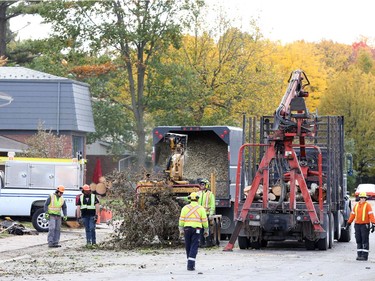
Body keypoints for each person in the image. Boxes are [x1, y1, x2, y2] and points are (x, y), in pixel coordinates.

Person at [178, 192, 209, 271]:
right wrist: (206, 229)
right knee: (194, 246)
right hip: (197, 230)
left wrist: (181, 230)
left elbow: (181, 219)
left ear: (189, 199)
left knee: (188, 246)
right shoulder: (201, 208)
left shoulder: (185, 208)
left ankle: (190, 262)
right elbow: (204, 220)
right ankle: (190, 265)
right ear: (197, 199)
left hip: (187, 229)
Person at [347, 191, 375, 261]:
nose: (362, 199)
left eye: (364, 198)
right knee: (358, 239)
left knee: (364, 240)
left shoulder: (367, 205)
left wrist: (373, 223)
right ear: (359, 198)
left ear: (366, 199)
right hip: (357, 225)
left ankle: (364, 256)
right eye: (361, 197)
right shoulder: (356, 205)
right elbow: (352, 215)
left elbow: (371, 215)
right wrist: (349, 223)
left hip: (365, 225)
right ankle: (359, 254)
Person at [197, 178, 216, 247]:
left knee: (206, 229)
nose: (201, 186)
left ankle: (209, 243)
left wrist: (211, 214)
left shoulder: (210, 194)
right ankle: (201, 243)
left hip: (206, 214)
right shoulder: (198, 193)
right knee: (199, 229)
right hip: (199, 215)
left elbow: (212, 205)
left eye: (203, 184)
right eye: (200, 184)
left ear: (207, 185)